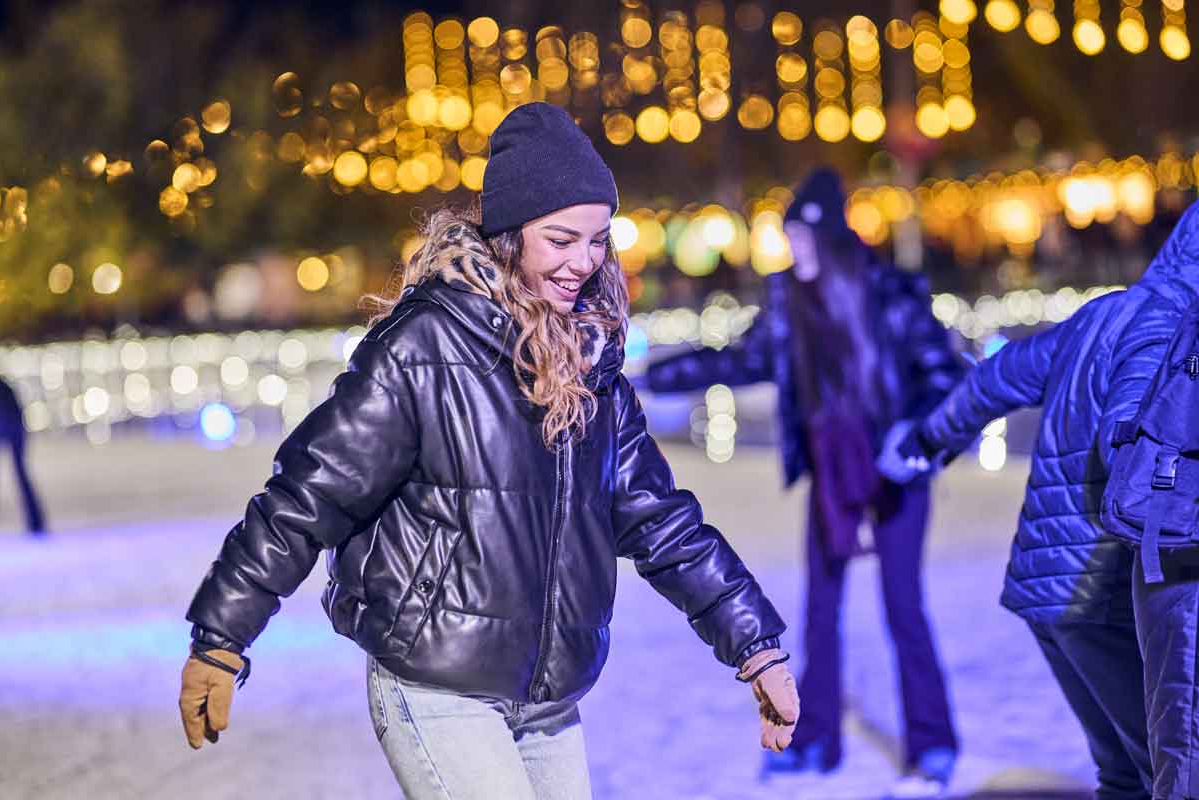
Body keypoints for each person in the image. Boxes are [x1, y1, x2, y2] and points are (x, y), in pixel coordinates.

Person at [178, 102, 799, 800]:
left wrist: (755, 645)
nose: (583, 263)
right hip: (436, 680)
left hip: (548, 696)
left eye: (598, 241)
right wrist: (221, 638)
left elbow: (660, 520)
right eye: (561, 239)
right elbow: (307, 495)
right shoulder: (424, 348)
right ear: (509, 235)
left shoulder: (590, 363)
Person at [645, 168, 960, 797]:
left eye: (806, 241)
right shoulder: (790, 303)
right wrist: (658, 374)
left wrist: (919, 440)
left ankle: (932, 744)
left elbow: (943, 376)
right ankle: (816, 738)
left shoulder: (890, 295)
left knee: (904, 609)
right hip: (833, 472)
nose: (797, 254)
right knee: (820, 611)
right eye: (791, 241)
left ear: (833, 239)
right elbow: (741, 358)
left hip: (895, 470)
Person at [876, 207, 1199, 800]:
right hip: (1095, 597)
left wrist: (927, 440)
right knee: (1163, 775)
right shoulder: (1168, 332)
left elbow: (992, 380)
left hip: (1045, 591)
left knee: (1124, 774)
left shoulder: (1102, 313)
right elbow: (1129, 437)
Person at [0, 376, 46, 536]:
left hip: (12, 430)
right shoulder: (4, 385)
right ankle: (36, 522)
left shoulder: (3, 387)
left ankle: (36, 523)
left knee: (21, 475)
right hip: (14, 429)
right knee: (21, 475)